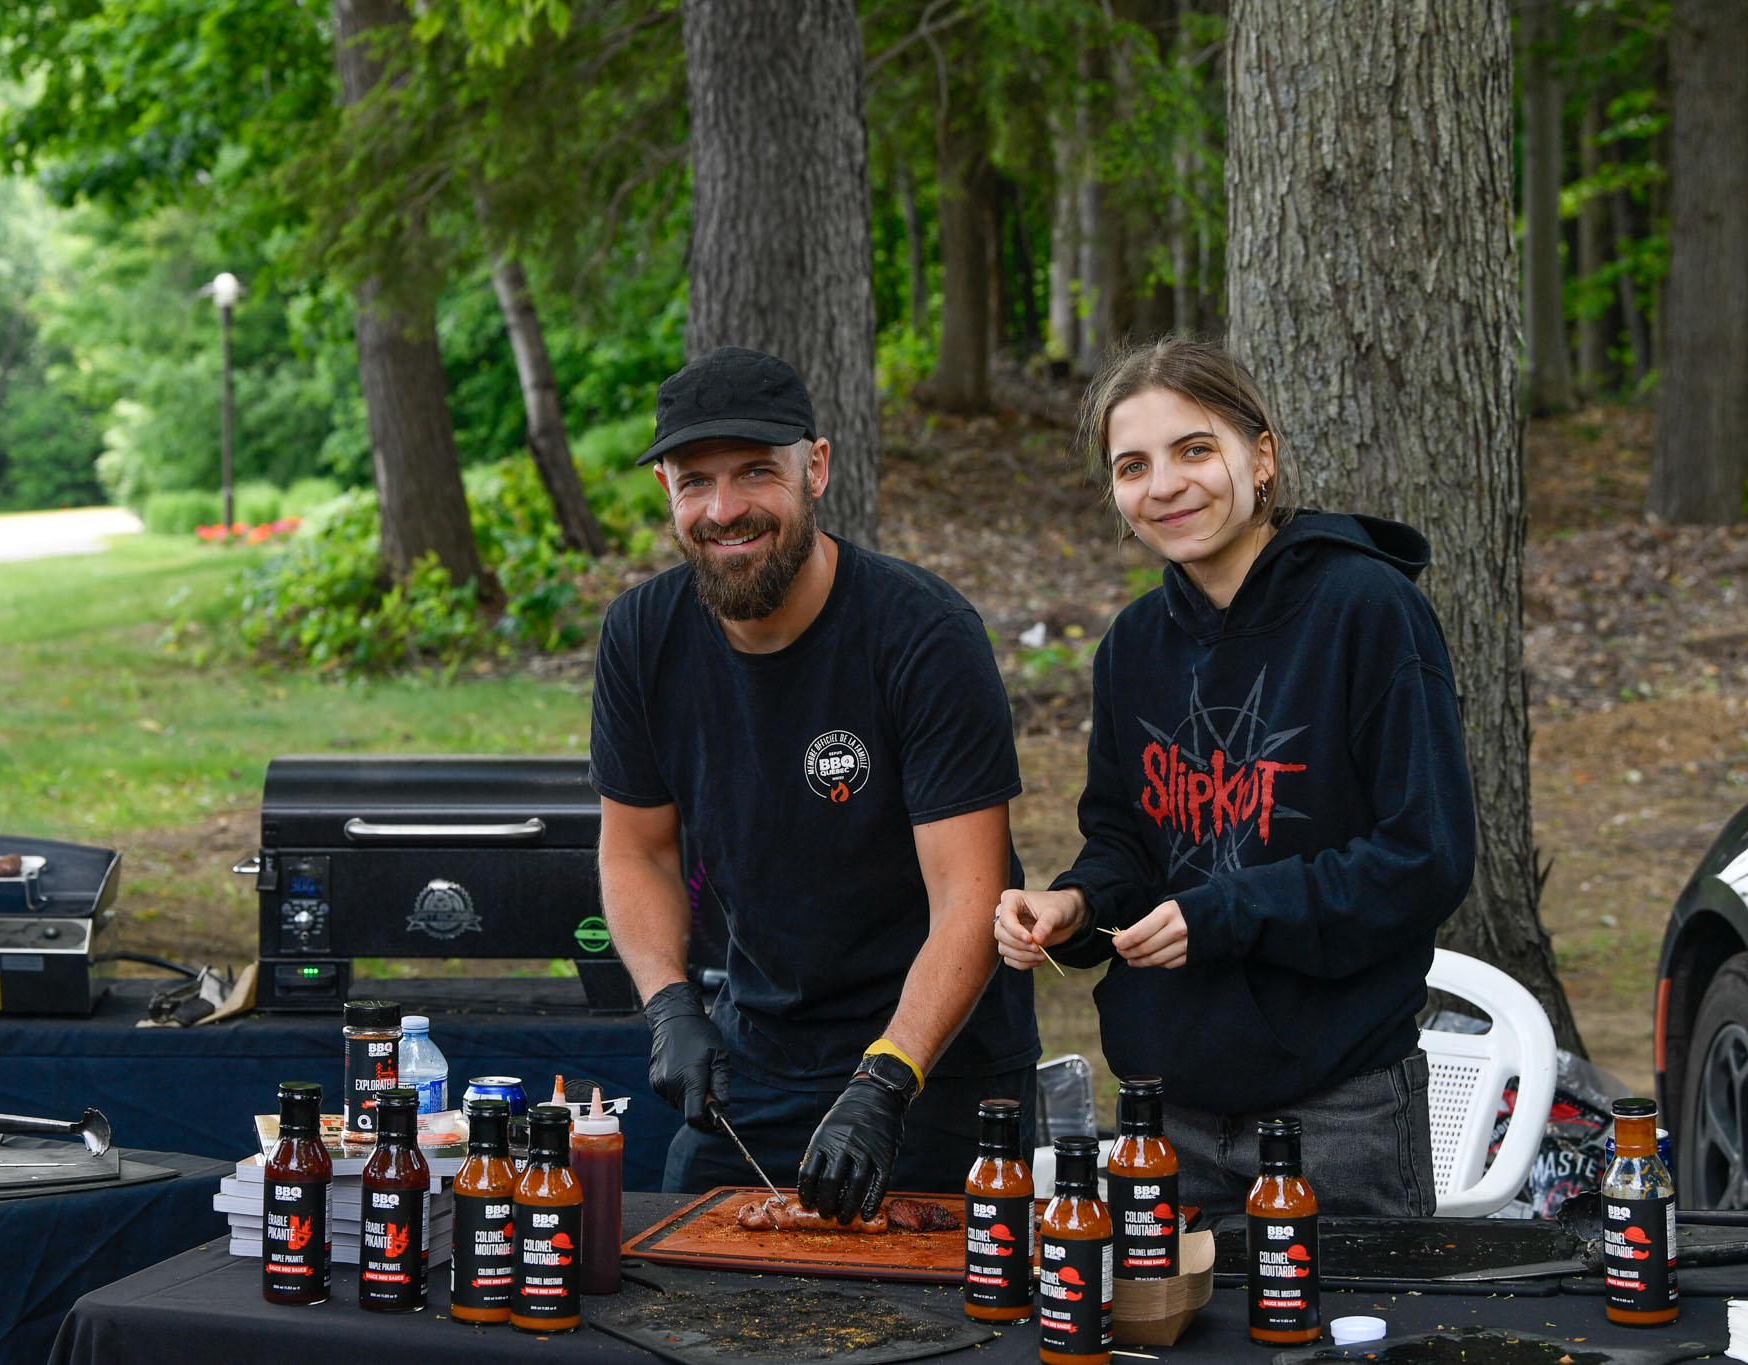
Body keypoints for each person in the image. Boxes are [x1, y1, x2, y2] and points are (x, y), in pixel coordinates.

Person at [995, 337, 1475, 1221]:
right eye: (1133, 465)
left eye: (1194, 449)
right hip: (1165, 1118)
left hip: (1338, 1116)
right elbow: (1127, 846)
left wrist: (1226, 913)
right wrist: (1076, 907)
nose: (1165, 485)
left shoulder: (1368, 611)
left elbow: (1425, 857)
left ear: (1261, 457)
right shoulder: (1132, 646)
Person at [592, 345, 1039, 1222]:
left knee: (938, 1299)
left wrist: (887, 1078)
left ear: (817, 468)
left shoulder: (923, 633)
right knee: (683, 1275)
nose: (724, 509)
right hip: (758, 1055)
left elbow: (971, 895)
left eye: (756, 472)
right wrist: (671, 1004)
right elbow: (636, 852)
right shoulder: (641, 636)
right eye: (696, 481)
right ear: (666, 490)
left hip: (935, 1063)